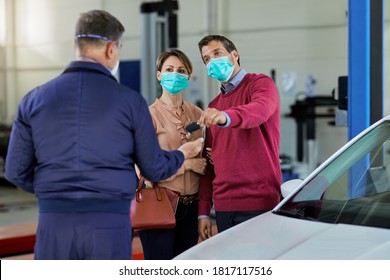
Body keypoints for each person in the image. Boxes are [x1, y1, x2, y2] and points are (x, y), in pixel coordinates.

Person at [4, 10, 203, 260]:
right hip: (110, 224)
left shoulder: (33, 99)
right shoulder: (130, 102)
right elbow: (153, 168)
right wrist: (182, 154)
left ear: (76, 45)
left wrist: (57, 191)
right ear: (111, 48)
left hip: (55, 224)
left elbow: (15, 171)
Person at [196, 35, 282, 240]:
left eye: (217, 53)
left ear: (234, 55)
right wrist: (203, 212)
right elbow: (209, 166)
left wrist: (225, 116)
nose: (212, 61)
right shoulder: (214, 105)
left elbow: (259, 110)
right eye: (206, 59)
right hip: (225, 207)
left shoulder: (260, 84)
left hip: (259, 202)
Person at [138, 49, 206, 260]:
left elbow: (206, 162)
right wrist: (188, 166)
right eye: (169, 70)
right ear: (159, 75)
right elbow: (148, 172)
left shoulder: (197, 114)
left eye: (181, 70)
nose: (175, 75)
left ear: (188, 77)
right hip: (160, 204)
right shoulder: (148, 116)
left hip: (192, 207)